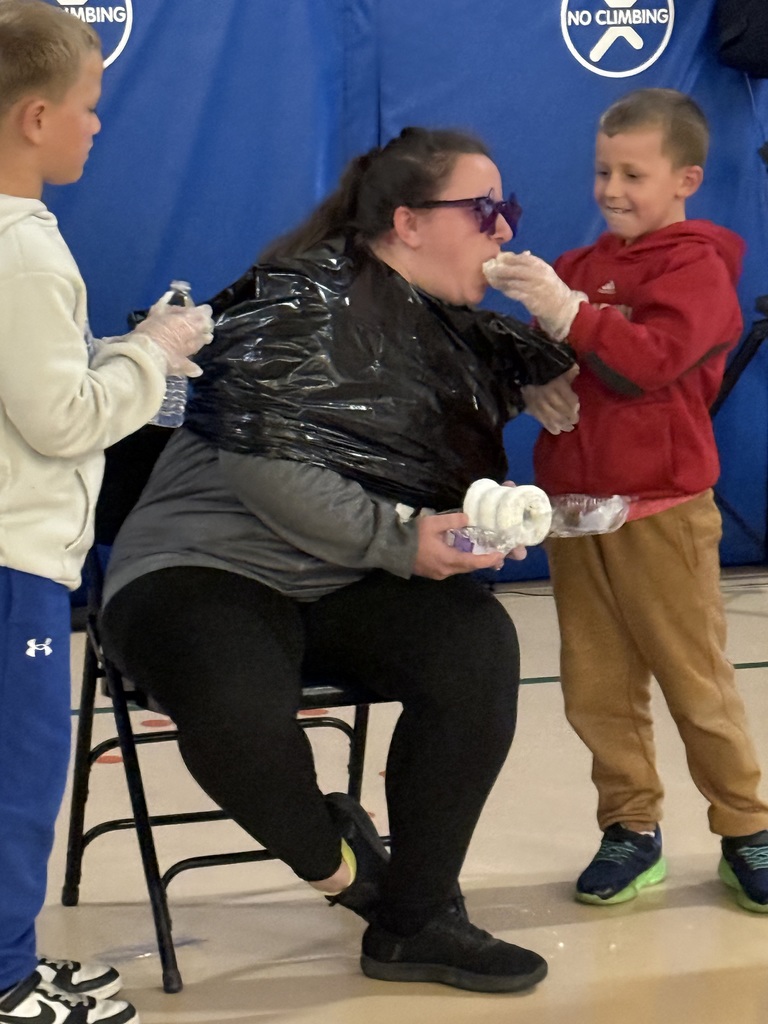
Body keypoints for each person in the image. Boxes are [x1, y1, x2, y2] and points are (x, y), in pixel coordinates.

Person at [99, 126, 579, 994]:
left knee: (477, 650)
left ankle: (416, 925)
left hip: (340, 577)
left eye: (506, 209)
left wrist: (553, 351)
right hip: (201, 567)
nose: (506, 229)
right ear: (408, 223)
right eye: (484, 210)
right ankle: (353, 879)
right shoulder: (300, 302)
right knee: (236, 710)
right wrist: (400, 539)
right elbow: (266, 465)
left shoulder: (454, 334)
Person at [486, 87, 768, 912]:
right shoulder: (578, 268)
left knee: (694, 680)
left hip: (662, 510)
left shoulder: (699, 267)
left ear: (686, 179)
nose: (612, 189)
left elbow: (647, 363)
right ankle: (629, 826)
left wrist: (568, 315)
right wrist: (531, 381)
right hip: (576, 513)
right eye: (603, 171)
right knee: (596, 686)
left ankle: (747, 826)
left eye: (633, 175)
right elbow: (537, 349)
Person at [0, 3, 214, 1022]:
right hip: (15, 564)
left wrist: (116, 355)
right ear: (35, 117)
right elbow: (62, 420)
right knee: (17, 774)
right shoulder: (24, 250)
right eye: (89, 105)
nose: (98, 124)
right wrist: (151, 357)